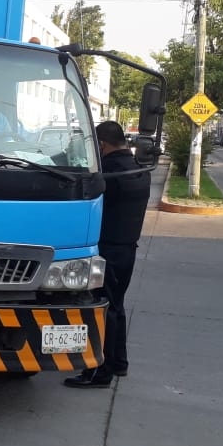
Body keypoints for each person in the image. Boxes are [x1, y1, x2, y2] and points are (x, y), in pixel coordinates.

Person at [65, 121, 151, 389]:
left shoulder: (109, 173)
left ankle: (100, 372)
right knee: (116, 307)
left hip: (108, 249)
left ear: (101, 145)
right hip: (127, 247)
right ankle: (118, 363)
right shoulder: (139, 168)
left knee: (103, 311)